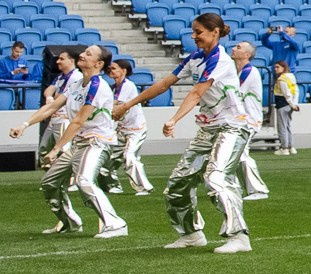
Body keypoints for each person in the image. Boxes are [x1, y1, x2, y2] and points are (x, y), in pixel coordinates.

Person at [118, 15, 254, 253]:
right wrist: (128, 104)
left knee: (217, 177)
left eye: (198, 32)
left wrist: (173, 119)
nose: (193, 36)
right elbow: (163, 84)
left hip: (233, 126)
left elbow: (196, 93)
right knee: (177, 184)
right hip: (209, 129)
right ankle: (191, 234)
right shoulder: (195, 58)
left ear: (214, 32)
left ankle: (239, 236)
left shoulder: (220, 59)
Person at [13, 43, 122, 238]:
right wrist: (24, 124)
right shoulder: (75, 84)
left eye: (88, 54)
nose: (82, 55)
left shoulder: (97, 86)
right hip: (80, 143)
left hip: (98, 142)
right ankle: (70, 222)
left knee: (84, 180)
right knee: (49, 183)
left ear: (98, 64)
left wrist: (56, 149)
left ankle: (115, 224)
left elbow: (79, 120)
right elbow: (52, 107)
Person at [223, 42, 272, 203]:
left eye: (238, 47)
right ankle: (234, 185)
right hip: (241, 120)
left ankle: (258, 189)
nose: (233, 48)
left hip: (248, 120)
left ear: (247, 54)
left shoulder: (249, 72)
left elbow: (235, 93)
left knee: (241, 154)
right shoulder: (239, 71)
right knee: (234, 154)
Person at [107, 58, 152, 194]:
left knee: (129, 156)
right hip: (121, 129)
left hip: (136, 129)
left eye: (114, 68)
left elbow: (118, 106)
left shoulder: (128, 86)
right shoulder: (113, 88)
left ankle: (144, 187)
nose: (111, 71)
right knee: (108, 159)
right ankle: (112, 186)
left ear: (123, 71)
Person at [268, 61, 300, 157]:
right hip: (290, 104)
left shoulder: (282, 79)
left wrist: (291, 103)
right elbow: (296, 91)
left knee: (282, 127)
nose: (275, 69)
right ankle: (291, 147)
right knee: (287, 126)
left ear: (283, 67)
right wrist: (294, 104)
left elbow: (287, 93)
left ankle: (284, 148)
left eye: (277, 67)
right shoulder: (291, 77)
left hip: (282, 104)